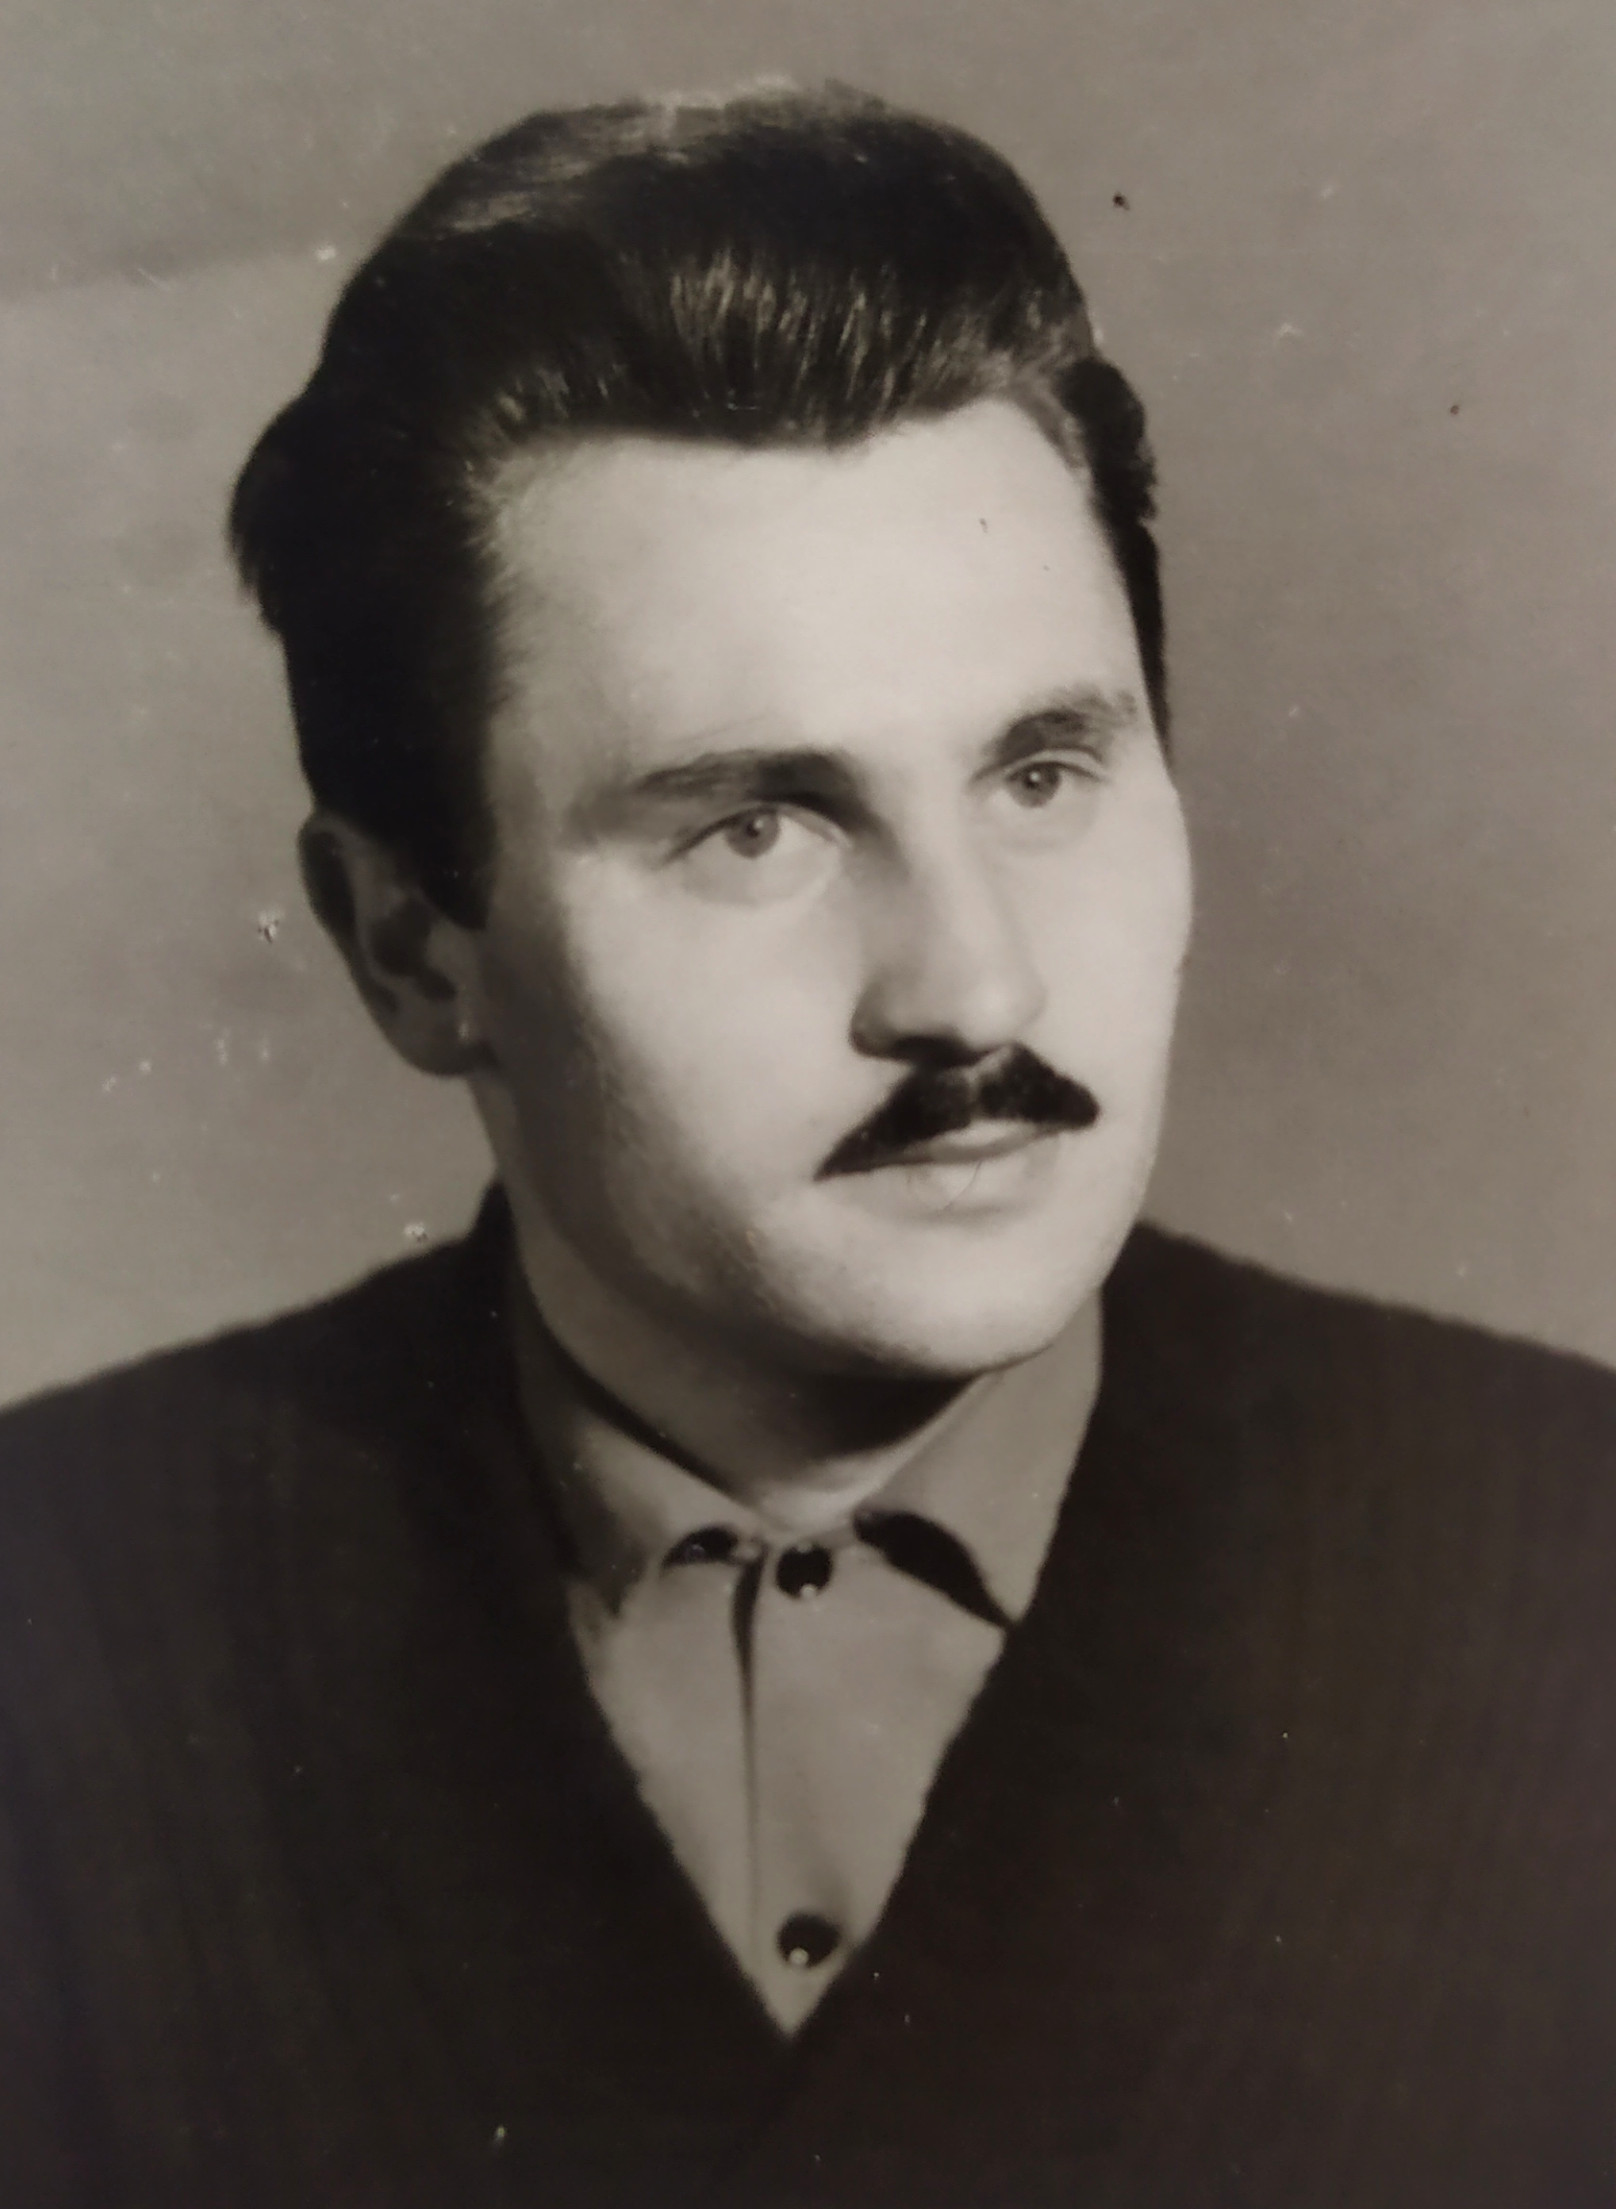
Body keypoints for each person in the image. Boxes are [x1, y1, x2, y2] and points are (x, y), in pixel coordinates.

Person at [1, 83, 1612, 2209]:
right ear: (411, 948)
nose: (974, 988)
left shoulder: (1573, 1567)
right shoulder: (50, 1634)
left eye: (1042, 775)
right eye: (758, 827)